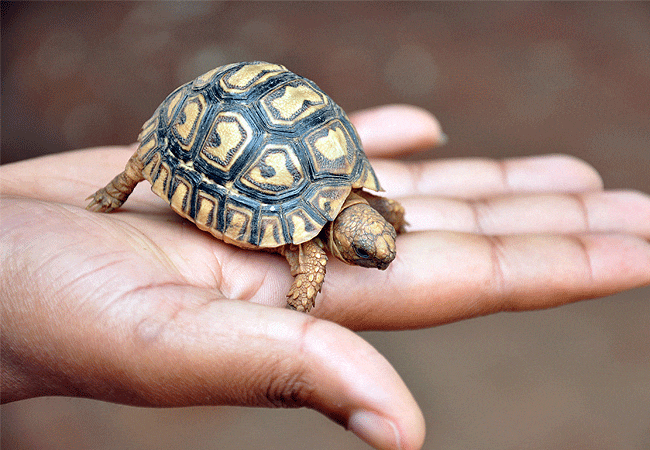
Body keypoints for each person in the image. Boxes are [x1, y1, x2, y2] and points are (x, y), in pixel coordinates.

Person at [1, 105, 649, 450]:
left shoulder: (363, 206)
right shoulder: (313, 249)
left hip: (291, 152)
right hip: (199, 124)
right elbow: (308, 267)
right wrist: (293, 319)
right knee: (144, 165)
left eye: (374, 248)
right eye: (369, 253)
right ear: (341, 236)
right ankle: (121, 184)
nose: (379, 255)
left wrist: (388, 219)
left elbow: (379, 210)